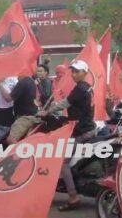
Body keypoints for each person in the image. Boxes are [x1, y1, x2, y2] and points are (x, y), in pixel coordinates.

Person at [39, 60, 96, 211]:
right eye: (73, 71)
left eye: (77, 71)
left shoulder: (80, 88)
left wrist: (47, 112)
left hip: (82, 132)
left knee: (63, 162)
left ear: (85, 72)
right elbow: (79, 108)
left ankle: (73, 197)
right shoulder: (88, 88)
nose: (74, 74)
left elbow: (65, 103)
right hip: (86, 127)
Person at [0, 75, 39, 145]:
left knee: (11, 139)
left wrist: (0, 85)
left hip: (24, 117)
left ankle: (22, 154)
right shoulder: (30, 80)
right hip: (32, 115)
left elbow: (8, 98)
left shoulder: (23, 82)